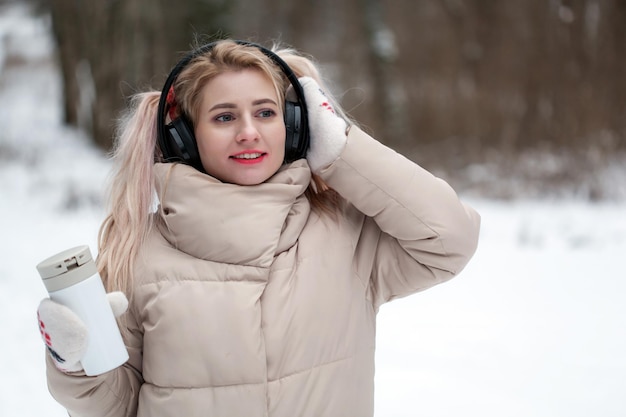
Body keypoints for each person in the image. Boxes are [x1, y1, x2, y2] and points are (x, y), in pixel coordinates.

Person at [36, 39, 480, 417]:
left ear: (294, 125)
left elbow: (449, 239)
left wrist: (343, 152)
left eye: (266, 113)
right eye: (224, 117)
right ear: (184, 138)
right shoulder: (141, 253)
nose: (249, 132)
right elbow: (119, 406)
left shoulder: (343, 233)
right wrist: (76, 365)